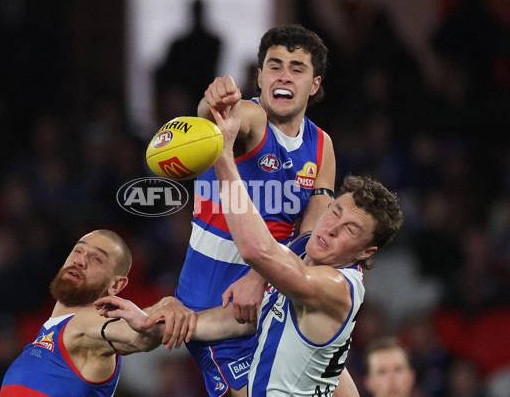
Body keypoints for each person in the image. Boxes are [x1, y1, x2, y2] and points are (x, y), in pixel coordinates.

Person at [97, 100, 404, 396]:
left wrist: (222, 154)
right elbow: (237, 321)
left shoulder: (336, 286)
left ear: (366, 253)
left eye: (350, 229)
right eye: (335, 212)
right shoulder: (303, 256)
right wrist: (162, 318)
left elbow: (257, 250)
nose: (332, 228)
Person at [175, 23, 337, 396]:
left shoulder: (322, 145)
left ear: (314, 84)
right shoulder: (248, 118)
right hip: (216, 308)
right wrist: (212, 103)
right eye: (275, 66)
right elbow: (210, 121)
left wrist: (262, 274)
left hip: (273, 302)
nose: (284, 76)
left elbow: (312, 236)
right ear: (260, 76)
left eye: (297, 69)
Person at [0, 229, 195, 396]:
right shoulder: (54, 331)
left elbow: (137, 337)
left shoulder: (85, 323)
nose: (80, 260)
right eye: (78, 250)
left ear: (116, 284)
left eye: (97, 259)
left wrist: (163, 309)